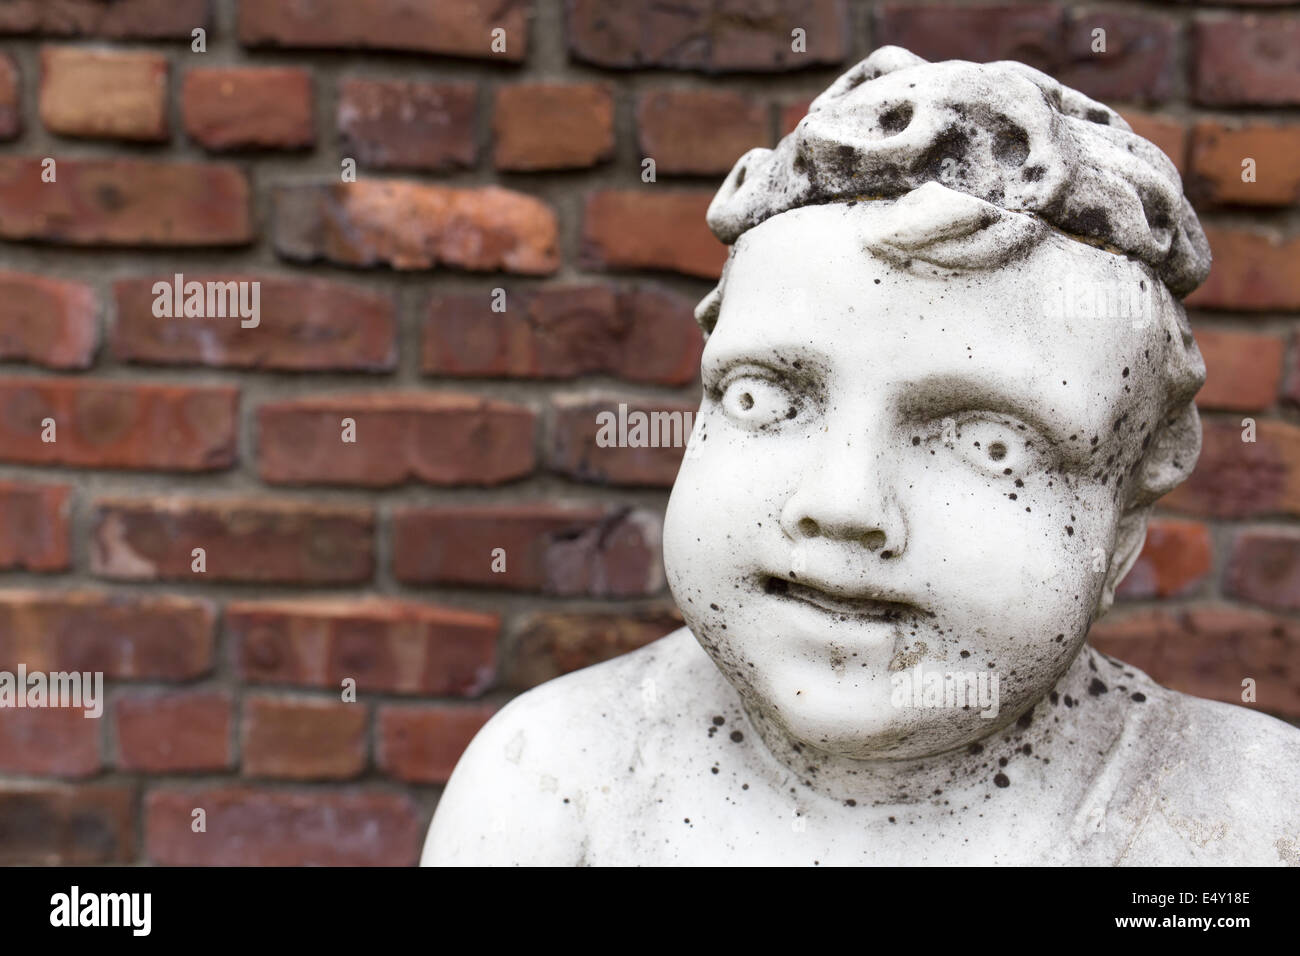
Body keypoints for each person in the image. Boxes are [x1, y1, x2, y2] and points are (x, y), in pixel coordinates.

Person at [423, 46, 1300, 866]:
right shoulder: (550, 789)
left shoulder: (1242, 823)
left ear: (1125, 519)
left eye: (988, 443)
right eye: (766, 398)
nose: (842, 501)